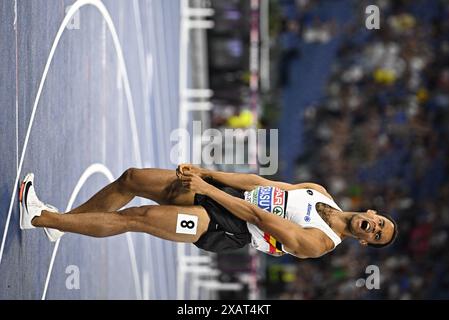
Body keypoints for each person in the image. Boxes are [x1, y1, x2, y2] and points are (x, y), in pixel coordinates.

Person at [19, 164, 398, 258]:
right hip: (223, 194)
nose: (374, 227)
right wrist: (207, 174)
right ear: (371, 211)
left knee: (137, 218)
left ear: (364, 241)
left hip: (225, 226)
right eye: (380, 222)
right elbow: (260, 185)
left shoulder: (320, 243)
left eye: (376, 234)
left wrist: (204, 190)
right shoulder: (321, 192)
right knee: (132, 178)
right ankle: (62, 224)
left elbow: (258, 218)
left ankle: (39, 217)